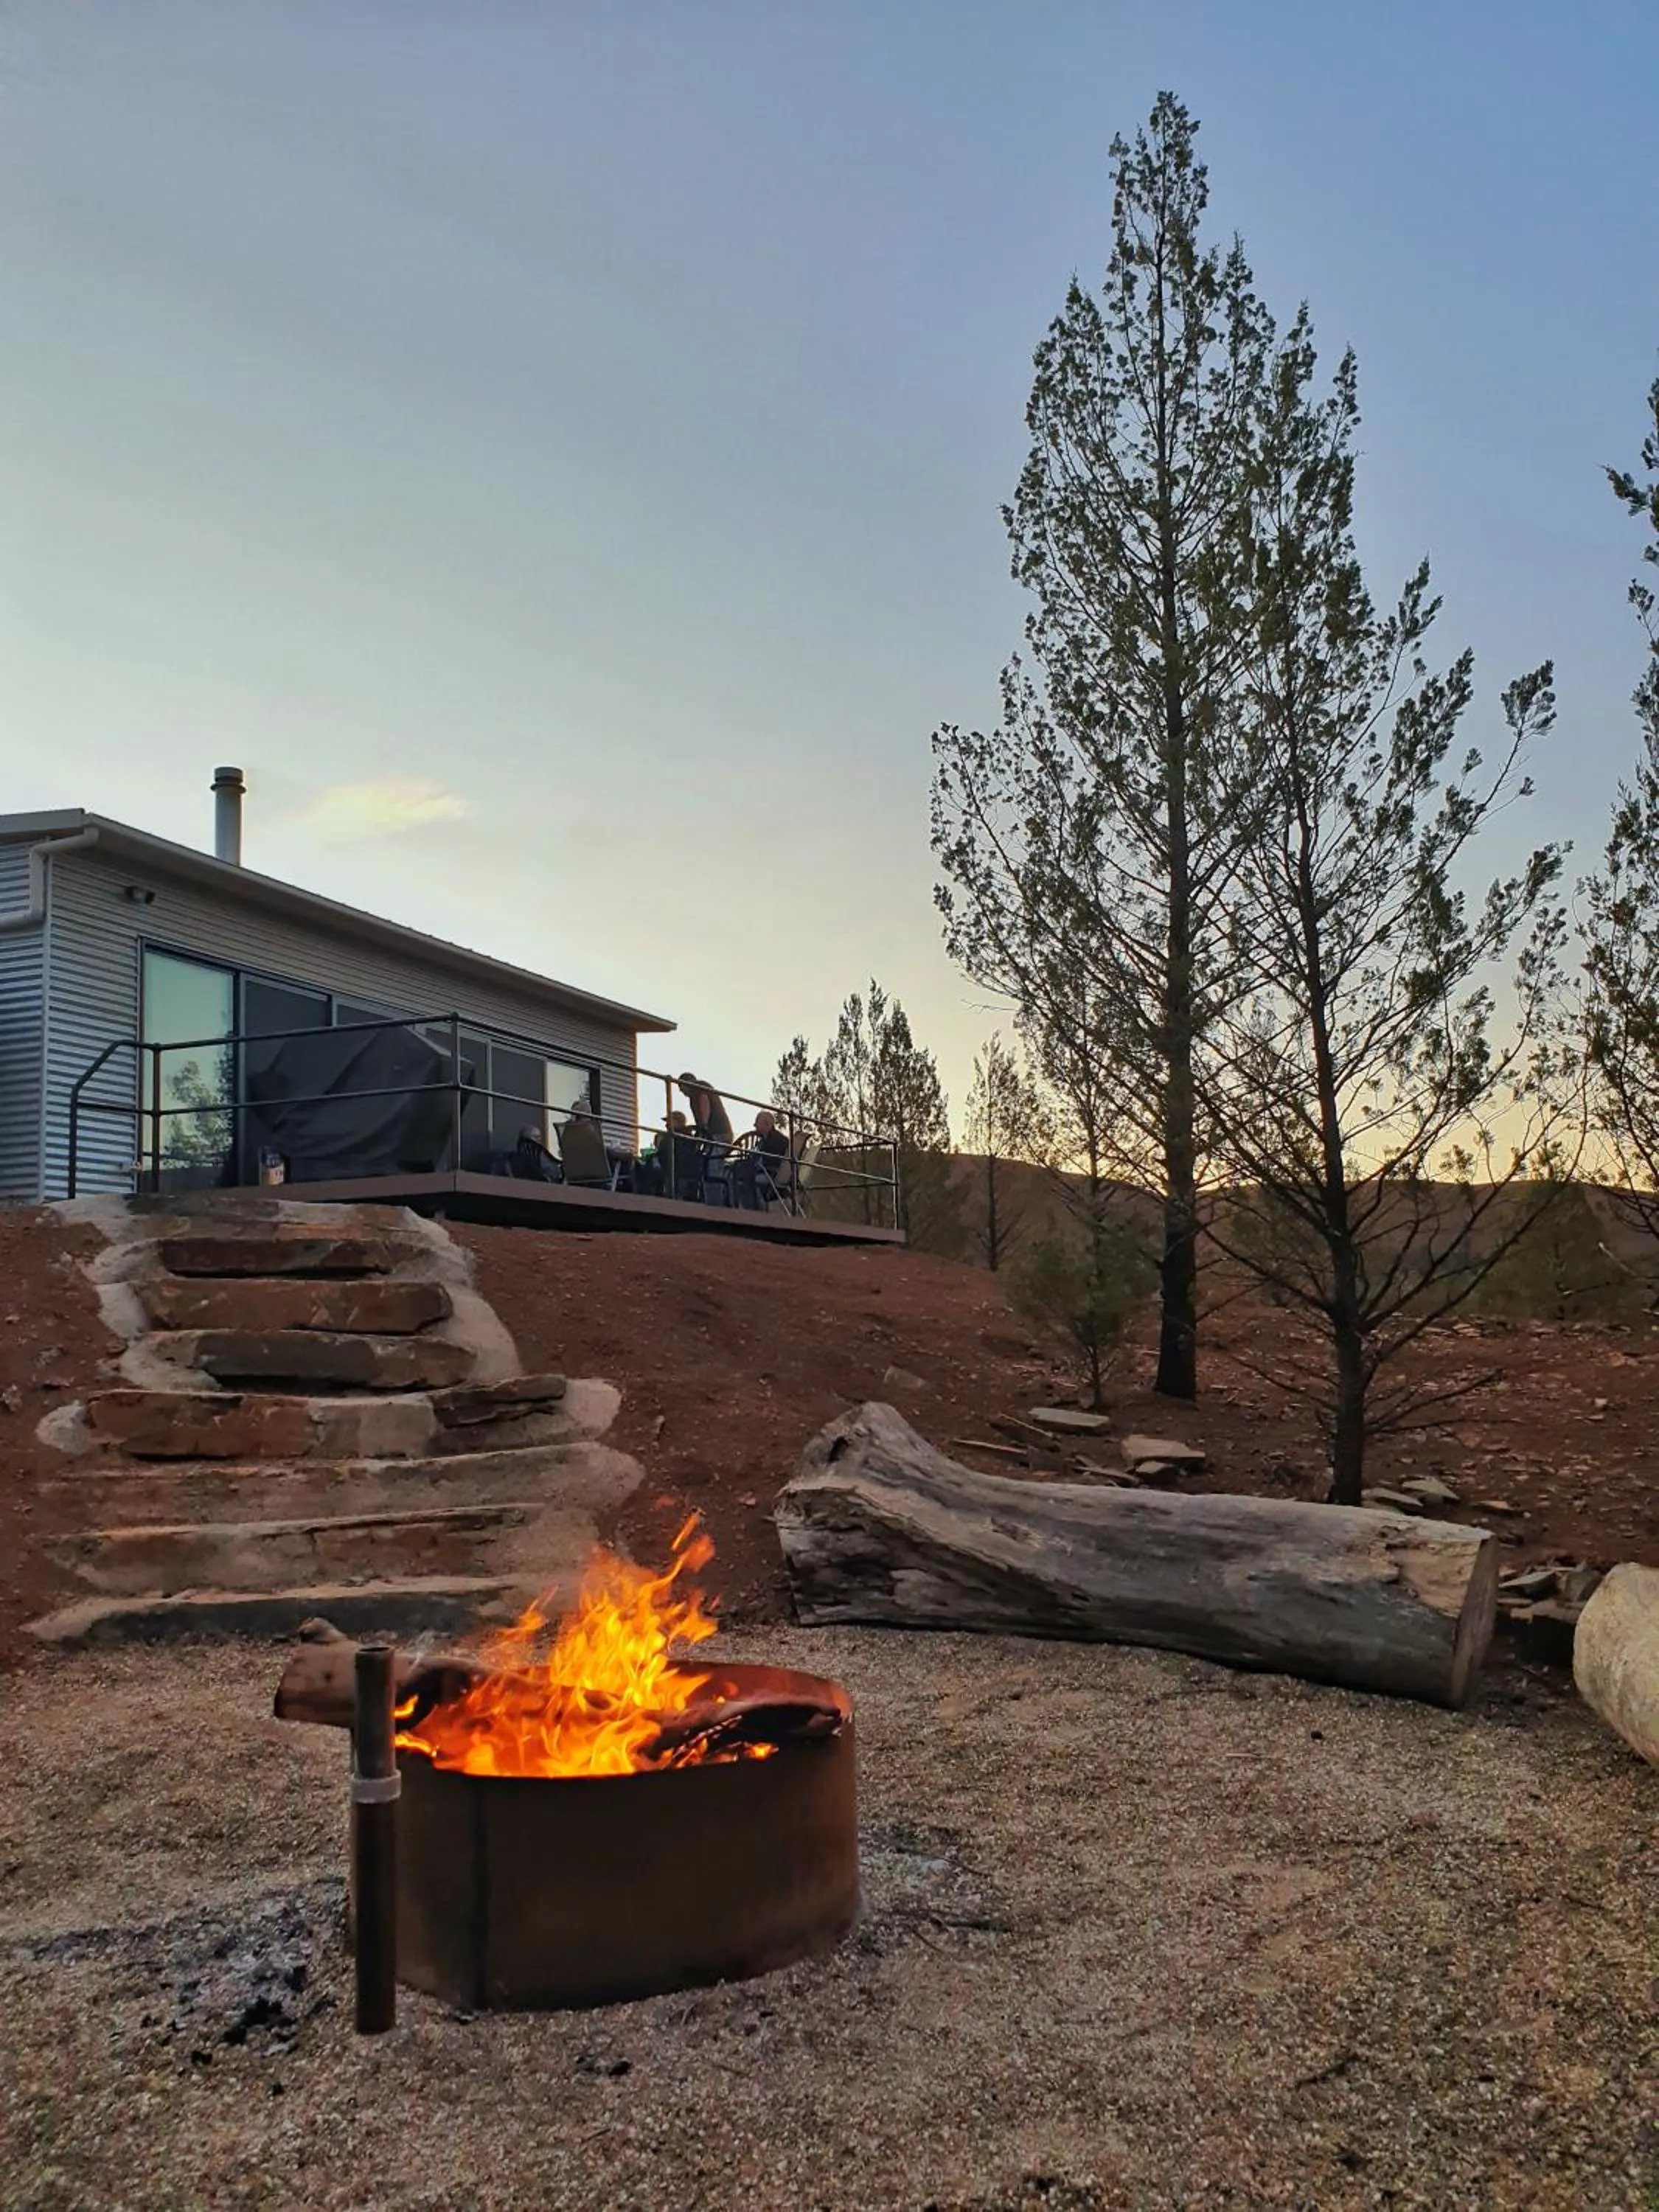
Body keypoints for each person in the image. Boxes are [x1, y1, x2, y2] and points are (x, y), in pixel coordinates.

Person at [734, 1110, 791, 1210]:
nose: (755, 1126)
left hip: (772, 1174)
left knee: (742, 1176)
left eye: (757, 1123)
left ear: (767, 1124)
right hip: (769, 1172)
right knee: (740, 1172)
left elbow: (772, 1162)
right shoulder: (767, 1139)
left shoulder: (777, 1140)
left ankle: (751, 1209)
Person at [677, 1074, 733, 1146]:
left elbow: (704, 1101)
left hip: (718, 1132)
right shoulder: (695, 1094)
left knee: (711, 1155)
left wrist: (704, 1126)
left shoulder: (698, 1087)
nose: (681, 1090)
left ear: (686, 1083)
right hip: (720, 1132)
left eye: (681, 1087)